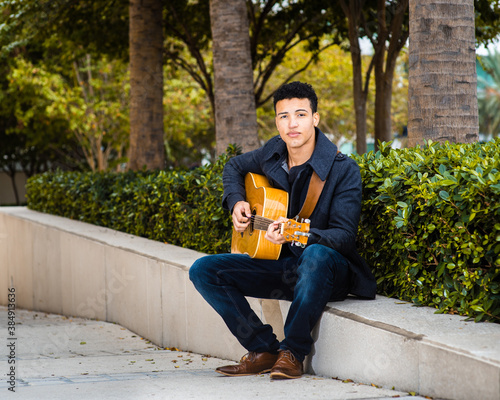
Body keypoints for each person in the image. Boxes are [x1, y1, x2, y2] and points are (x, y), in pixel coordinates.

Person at [189, 81, 376, 380]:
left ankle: (292, 353)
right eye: (283, 116)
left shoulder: (343, 169)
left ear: (315, 118)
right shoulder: (272, 153)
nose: (292, 124)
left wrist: (297, 233)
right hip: (283, 267)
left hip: (327, 271)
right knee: (204, 270)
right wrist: (237, 202)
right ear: (276, 121)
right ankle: (263, 350)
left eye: (300, 115)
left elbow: (343, 236)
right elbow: (233, 167)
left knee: (316, 255)